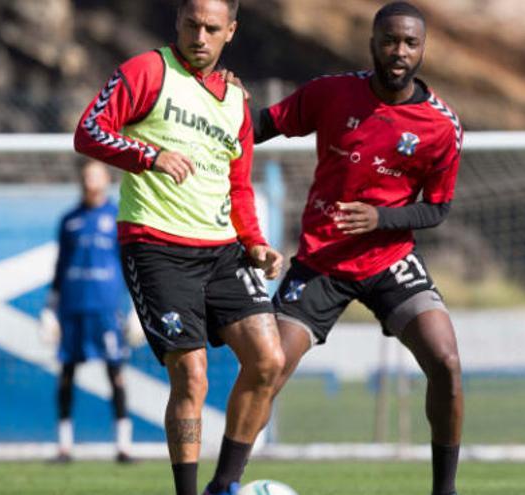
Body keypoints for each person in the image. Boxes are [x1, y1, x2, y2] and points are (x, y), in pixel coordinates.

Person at [73, 1, 285, 494]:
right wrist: (150, 155)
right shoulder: (148, 71)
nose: (201, 36)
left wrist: (255, 242)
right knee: (192, 376)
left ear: (230, 32)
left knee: (268, 360)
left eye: (213, 28)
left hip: (222, 250)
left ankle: (225, 485)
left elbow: (239, 185)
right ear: (178, 22)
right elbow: (89, 131)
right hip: (156, 245)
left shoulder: (235, 101)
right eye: (192, 24)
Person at [254, 2, 464, 494]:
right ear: (373, 44)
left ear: (422, 49)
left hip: (390, 261)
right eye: (390, 40)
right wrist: (215, 126)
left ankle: (444, 490)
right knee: (267, 370)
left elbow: (436, 209)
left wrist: (382, 219)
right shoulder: (332, 93)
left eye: (410, 43)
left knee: (447, 362)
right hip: (321, 262)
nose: (399, 51)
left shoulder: (441, 126)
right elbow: (262, 126)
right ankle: (225, 483)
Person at [45, 159, 133, 463]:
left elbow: (129, 264)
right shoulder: (69, 219)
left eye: (96, 176)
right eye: (86, 176)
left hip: (106, 307)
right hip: (72, 306)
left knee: (115, 372)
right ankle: (64, 445)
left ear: (106, 179)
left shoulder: (118, 217)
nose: (90, 182)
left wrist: (135, 307)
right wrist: (50, 307)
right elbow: (60, 265)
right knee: (67, 373)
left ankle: (123, 445)